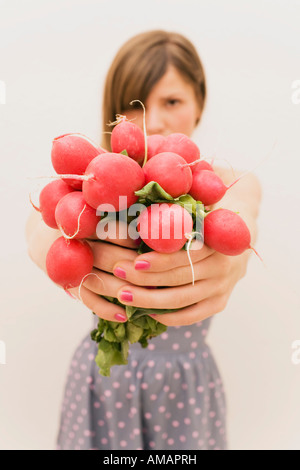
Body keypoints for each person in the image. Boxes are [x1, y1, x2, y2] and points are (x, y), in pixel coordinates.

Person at [26, 30, 262, 450]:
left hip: (186, 385)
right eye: (134, 105)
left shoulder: (226, 185)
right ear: (112, 115)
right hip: (104, 384)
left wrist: (233, 257)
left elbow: (244, 212)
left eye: (172, 101)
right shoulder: (94, 189)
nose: (152, 120)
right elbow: (41, 219)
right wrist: (50, 246)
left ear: (199, 103)